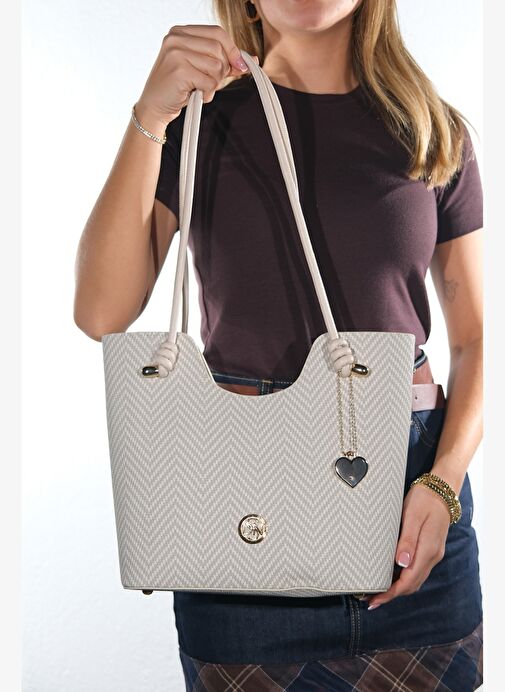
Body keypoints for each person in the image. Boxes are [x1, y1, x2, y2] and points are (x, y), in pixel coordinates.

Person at [74, 0, 484, 689]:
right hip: (241, 519)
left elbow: (474, 340)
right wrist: (150, 115)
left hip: (412, 519)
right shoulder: (198, 122)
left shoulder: (430, 129)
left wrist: (442, 485)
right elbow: (99, 312)